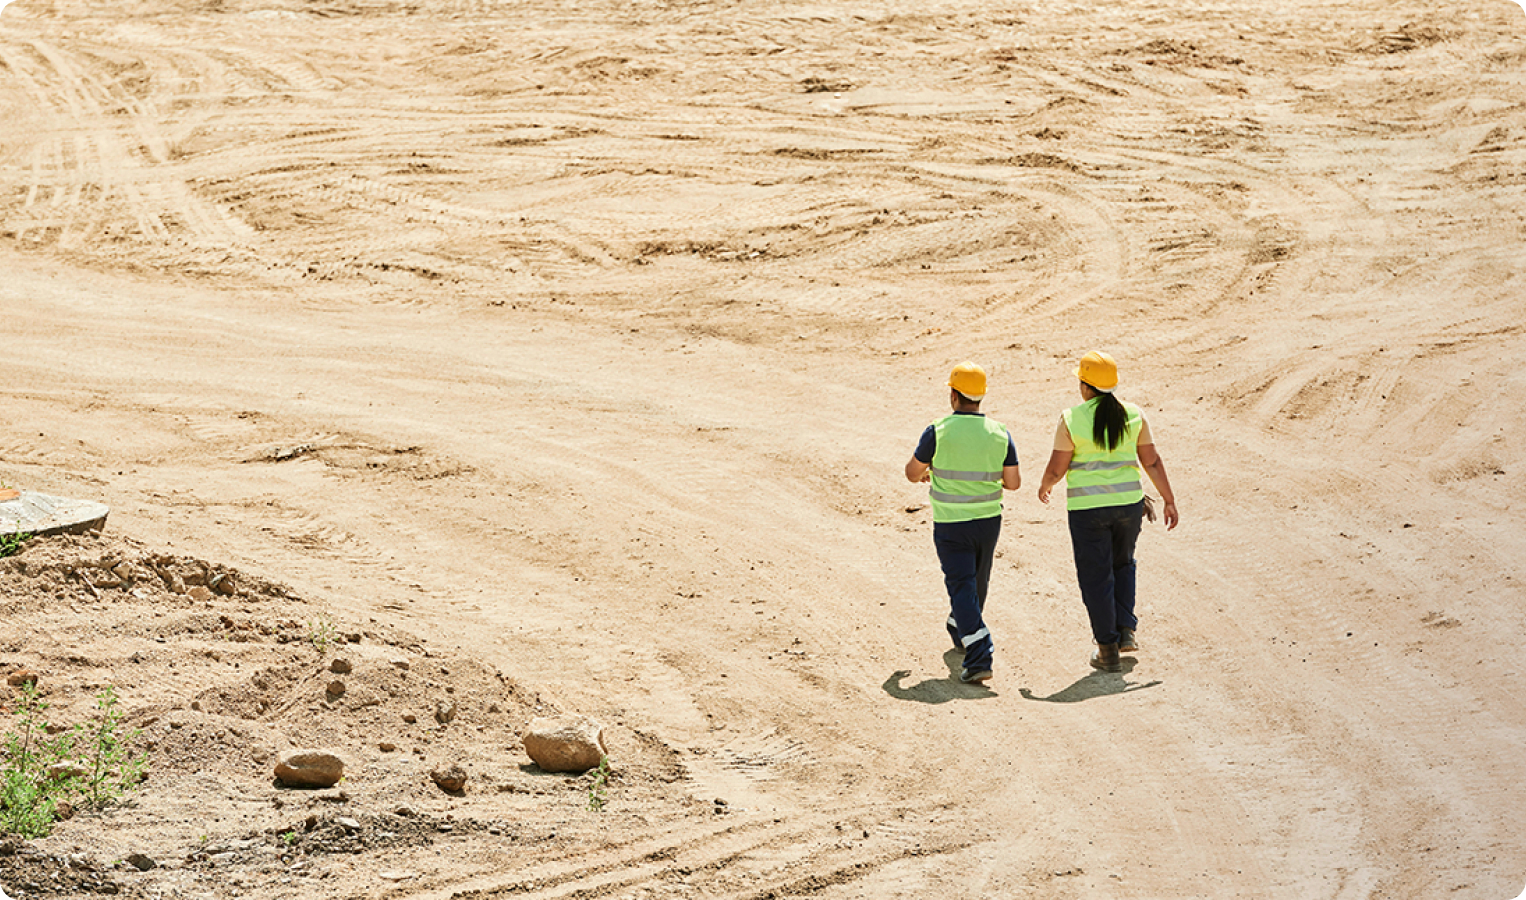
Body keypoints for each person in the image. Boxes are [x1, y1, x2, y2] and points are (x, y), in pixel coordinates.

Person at [1037, 351, 1178, 672]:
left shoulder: (1072, 418)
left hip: (1088, 509)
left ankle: (1107, 650)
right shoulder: (1133, 414)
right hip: (1129, 505)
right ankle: (1126, 630)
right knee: (1123, 563)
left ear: (1085, 386)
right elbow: (1152, 461)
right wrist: (1168, 499)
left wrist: (1046, 485)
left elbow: (1058, 467)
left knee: (1095, 575)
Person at [905, 362, 1021, 685]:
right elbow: (1013, 483)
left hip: (952, 524)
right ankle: (961, 627)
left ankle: (980, 652)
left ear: (953, 395)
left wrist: (931, 472)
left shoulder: (938, 431)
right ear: (980, 398)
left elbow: (912, 472)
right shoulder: (1000, 433)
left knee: (961, 584)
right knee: (976, 582)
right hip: (988, 522)